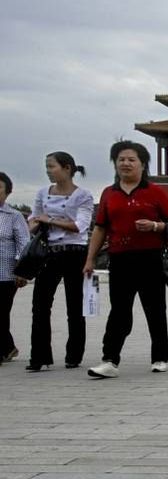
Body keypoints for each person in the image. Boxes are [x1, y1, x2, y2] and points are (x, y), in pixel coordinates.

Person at [84, 141, 168, 378]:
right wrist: (90, 259)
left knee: (155, 309)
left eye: (131, 159)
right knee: (119, 311)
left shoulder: (154, 192)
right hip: (120, 258)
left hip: (150, 258)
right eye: (121, 159)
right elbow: (100, 228)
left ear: (143, 164)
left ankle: (159, 357)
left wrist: (155, 226)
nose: (125, 163)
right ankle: (110, 359)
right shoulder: (109, 193)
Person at [26, 152, 94, 371]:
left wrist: (50, 220)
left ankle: (74, 355)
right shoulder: (42, 194)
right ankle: (39, 356)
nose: (48, 170)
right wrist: (36, 223)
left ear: (67, 168)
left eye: (51, 166)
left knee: (74, 306)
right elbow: (33, 219)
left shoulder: (83, 195)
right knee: (40, 305)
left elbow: (80, 225)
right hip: (48, 252)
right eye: (46, 166)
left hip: (75, 252)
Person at [0, 172, 30, 366]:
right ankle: (8, 347)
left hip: (5, 273)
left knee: (1, 312)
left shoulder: (14, 216)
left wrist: (22, 271)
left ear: (7, 193)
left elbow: (24, 244)